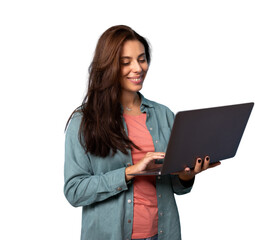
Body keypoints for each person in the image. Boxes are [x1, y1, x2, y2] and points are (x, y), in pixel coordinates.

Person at [64, 25, 220, 240]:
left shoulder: (164, 115)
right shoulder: (84, 120)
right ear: (108, 66)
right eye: (125, 62)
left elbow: (176, 186)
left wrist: (187, 174)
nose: (138, 68)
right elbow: (74, 191)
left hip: (162, 234)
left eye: (142, 59)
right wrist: (129, 172)